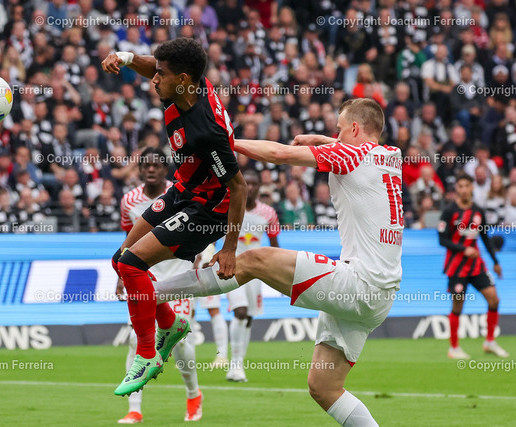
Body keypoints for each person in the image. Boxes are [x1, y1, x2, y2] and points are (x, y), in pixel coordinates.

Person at [154, 98, 403, 426]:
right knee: (324, 387)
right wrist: (322, 140)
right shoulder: (391, 155)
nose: (336, 136)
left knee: (256, 259)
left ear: (355, 129)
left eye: (339, 130)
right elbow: (355, 147)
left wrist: (223, 143)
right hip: (380, 295)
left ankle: (154, 292)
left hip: (359, 283)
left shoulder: (351, 154)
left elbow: (280, 154)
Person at [102, 37, 247, 396]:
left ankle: (147, 355)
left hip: (208, 210)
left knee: (133, 264)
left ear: (181, 79)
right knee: (120, 259)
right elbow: (152, 67)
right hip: (183, 191)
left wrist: (229, 248)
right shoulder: (183, 89)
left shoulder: (206, 129)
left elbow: (239, 188)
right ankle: (171, 324)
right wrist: (125, 57)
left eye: (161, 75)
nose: (153, 80)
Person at [117, 147, 203, 423]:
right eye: (146, 165)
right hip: (146, 275)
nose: (151, 169)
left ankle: (193, 395)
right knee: (135, 339)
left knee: (180, 344)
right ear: (140, 170)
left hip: (179, 275)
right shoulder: (129, 201)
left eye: (156, 165)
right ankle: (134, 408)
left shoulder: (180, 193)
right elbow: (128, 241)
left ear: (165, 169)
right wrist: (121, 275)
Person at [438, 173, 508, 359]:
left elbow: (485, 237)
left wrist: (495, 262)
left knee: (494, 300)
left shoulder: (478, 211)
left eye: (466, 186)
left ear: (472, 188)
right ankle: (454, 348)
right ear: (457, 189)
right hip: (456, 266)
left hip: (476, 265)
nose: (463, 190)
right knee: (458, 305)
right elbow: (442, 240)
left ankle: (490, 341)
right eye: (460, 186)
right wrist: (464, 249)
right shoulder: (449, 212)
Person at [226, 169, 280, 382]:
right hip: (232, 268)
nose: (250, 187)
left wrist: (275, 271)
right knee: (240, 312)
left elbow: (274, 245)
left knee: (248, 317)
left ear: (259, 187)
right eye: (246, 183)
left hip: (255, 272)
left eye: (254, 183)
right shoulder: (229, 206)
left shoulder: (268, 213)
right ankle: (235, 364)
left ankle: (238, 363)